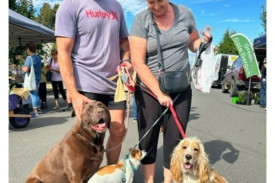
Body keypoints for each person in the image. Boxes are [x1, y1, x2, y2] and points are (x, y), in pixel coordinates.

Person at [129, 1, 212, 182]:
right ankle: (149, 180)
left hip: (180, 87)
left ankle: (169, 180)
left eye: (160, 1)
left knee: (175, 140)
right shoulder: (140, 20)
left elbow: (193, 43)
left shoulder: (185, 13)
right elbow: (138, 62)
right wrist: (159, 93)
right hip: (149, 90)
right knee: (148, 138)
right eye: (151, 2)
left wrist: (202, 43)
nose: (156, 6)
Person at [55, 0, 133, 165]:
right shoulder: (70, 5)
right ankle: (86, 176)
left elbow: (125, 44)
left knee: (118, 130)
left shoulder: (116, 6)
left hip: (113, 84)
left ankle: (109, 173)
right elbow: (63, 51)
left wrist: (126, 61)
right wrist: (74, 92)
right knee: (89, 137)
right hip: (85, 83)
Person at [18, 42, 42, 118]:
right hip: (37, 78)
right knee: (36, 94)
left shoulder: (29, 58)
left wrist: (21, 68)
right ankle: (38, 108)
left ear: (28, 49)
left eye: (26, 49)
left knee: (33, 94)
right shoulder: (37, 57)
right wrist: (22, 59)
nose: (26, 51)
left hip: (31, 80)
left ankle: (35, 111)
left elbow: (26, 69)